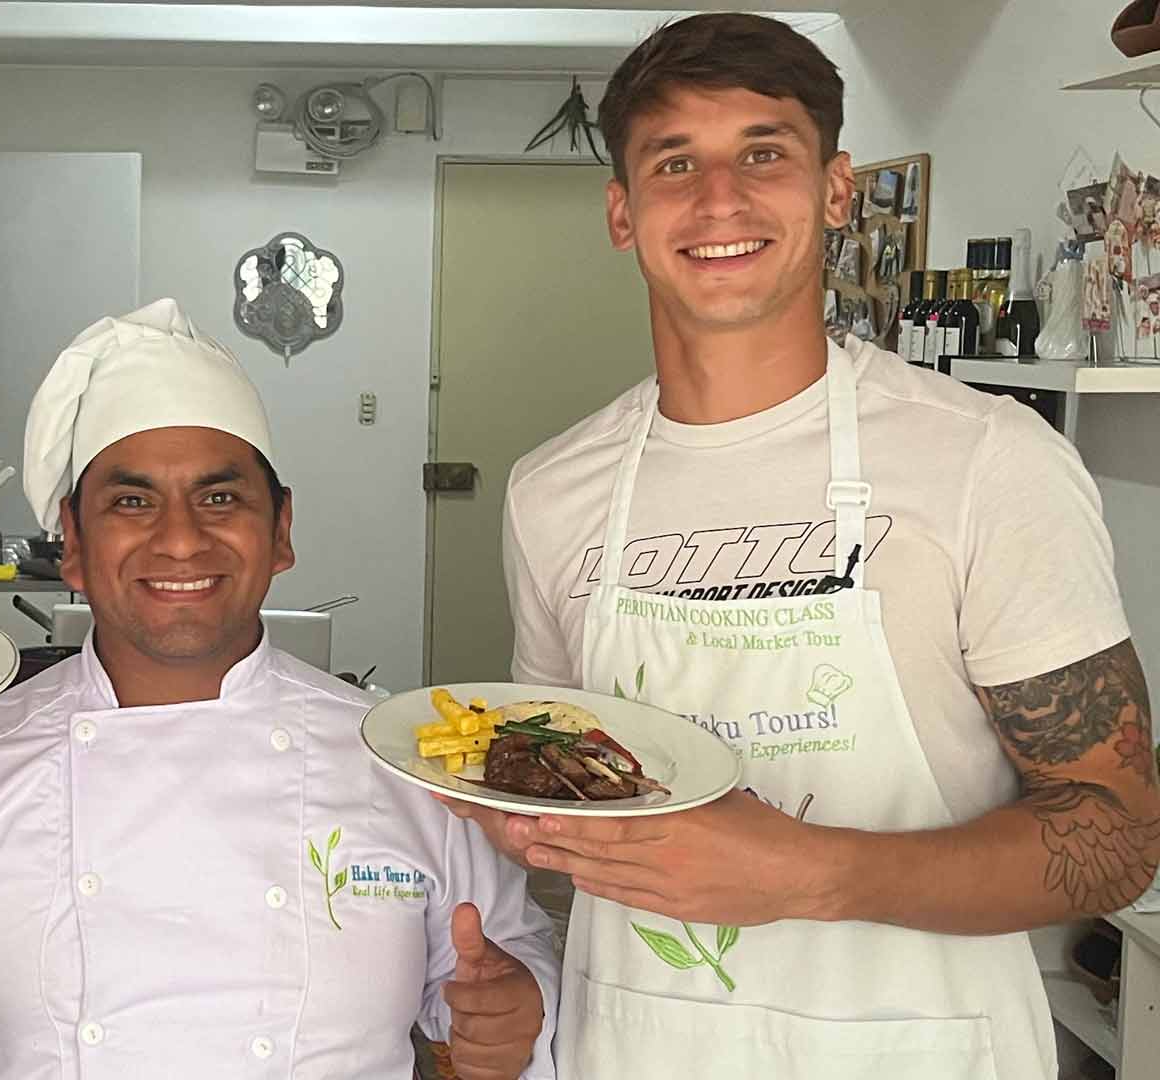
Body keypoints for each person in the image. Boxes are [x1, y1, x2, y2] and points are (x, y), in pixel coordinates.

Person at [456, 13, 1160, 1078]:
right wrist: (527, 830)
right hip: (639, 1044)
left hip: (923, 1051)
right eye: (675, 162)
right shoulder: (551, 491)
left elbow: (1120, 835)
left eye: (764, 153)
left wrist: (809, 873)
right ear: (622, 210)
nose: (720, 200)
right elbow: (565, 772)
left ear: (835, 191)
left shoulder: (985, 460)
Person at [0, 299, 560, 1080]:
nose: (182, 537)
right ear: (74, 544)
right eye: (131, 502)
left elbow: (507, 956)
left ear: (282, 529)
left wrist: (515, 1012)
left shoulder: (403, 766)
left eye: (221, 497)